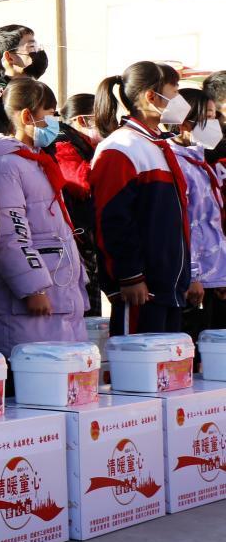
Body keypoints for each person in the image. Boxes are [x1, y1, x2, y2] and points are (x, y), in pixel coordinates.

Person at [0, 79, 88, 359]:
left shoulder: (34, 161)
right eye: (50, 113)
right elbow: (9, 233)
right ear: (27, 116)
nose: (55, 122)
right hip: (29, 301)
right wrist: (33, 288)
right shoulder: (5, 165)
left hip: (56, 294)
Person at [90, 61, 192, 335]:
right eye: (175, 91)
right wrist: (130, 275)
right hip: (141, 289)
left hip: (167, 286)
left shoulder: (157, 144)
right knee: (139, 359)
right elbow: (112, 219)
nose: (180, 100)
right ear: (151, 96)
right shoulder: (121, 147)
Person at [170, 87, 226, 337]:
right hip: (193, 279)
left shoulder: (200, 161)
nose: (215, 125)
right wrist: (192, 276)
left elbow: (212, 223)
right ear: (184, 123)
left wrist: (221, 273)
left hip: (212, 275)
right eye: (209, 118)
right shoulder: (176, 163)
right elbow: (186, 223)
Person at [52, 92, 102, 315]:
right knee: (84, 311)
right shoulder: (62, 142)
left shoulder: (83, 144)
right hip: (76, 240)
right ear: (82, 120)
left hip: (87, 236)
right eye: (103, 119)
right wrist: (105, 155)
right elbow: (80, 183)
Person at [0, 25, 46, 97]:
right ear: (9, 57)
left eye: (37, 46)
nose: (38, 51)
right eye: (32, 47)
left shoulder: (20, 88)